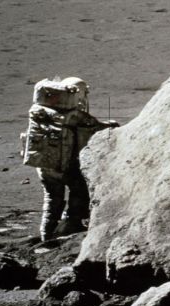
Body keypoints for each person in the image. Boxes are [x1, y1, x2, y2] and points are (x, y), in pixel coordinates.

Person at [21, 77, 118, 242]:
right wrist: (112, 125)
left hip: (44, 165)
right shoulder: (75, 115)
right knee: (80, 191)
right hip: (65, 166)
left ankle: (47, 235)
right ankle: (69, 226)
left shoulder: (41, 111)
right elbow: (95, 126)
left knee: (52, 199)